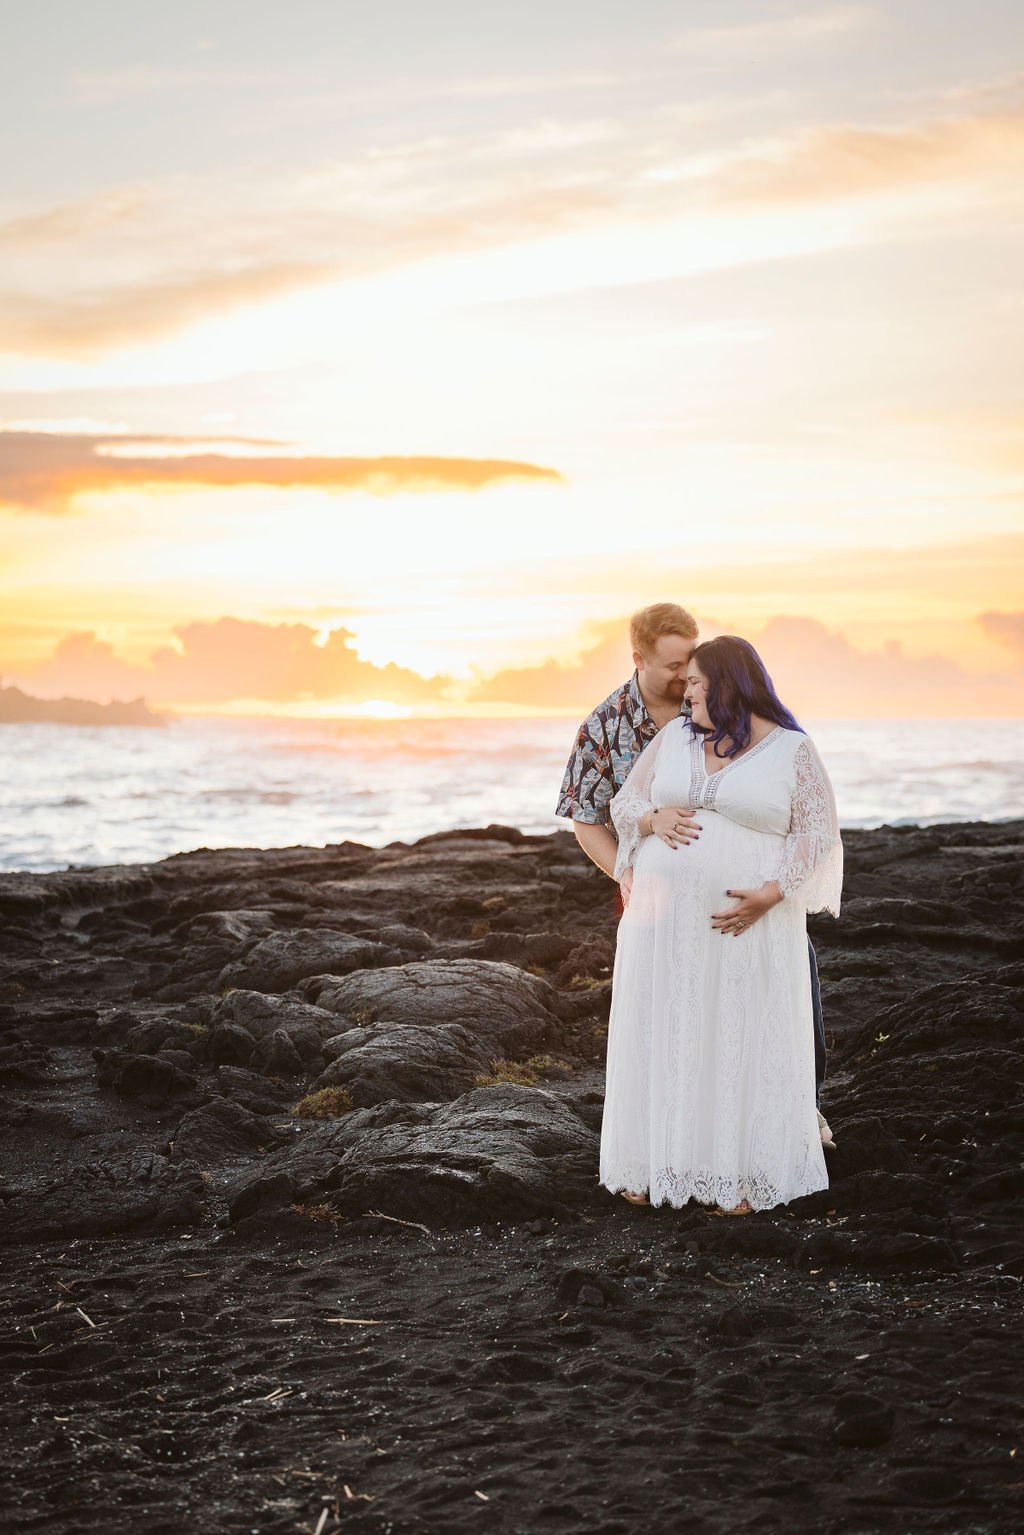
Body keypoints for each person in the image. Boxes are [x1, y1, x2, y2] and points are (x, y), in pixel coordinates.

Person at [556, 603, 834, 1148]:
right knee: (672, 1003)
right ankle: (676, 1122)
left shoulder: (732, 706)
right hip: (655, 892)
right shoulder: (605, 726)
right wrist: (628, 872)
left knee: (782, 988)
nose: (687, 676)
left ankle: (801, 1107)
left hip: (750, 896)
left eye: (694, 664)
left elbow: (794, 800)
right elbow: (586, 819)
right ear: (639, 659)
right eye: (675, 666)